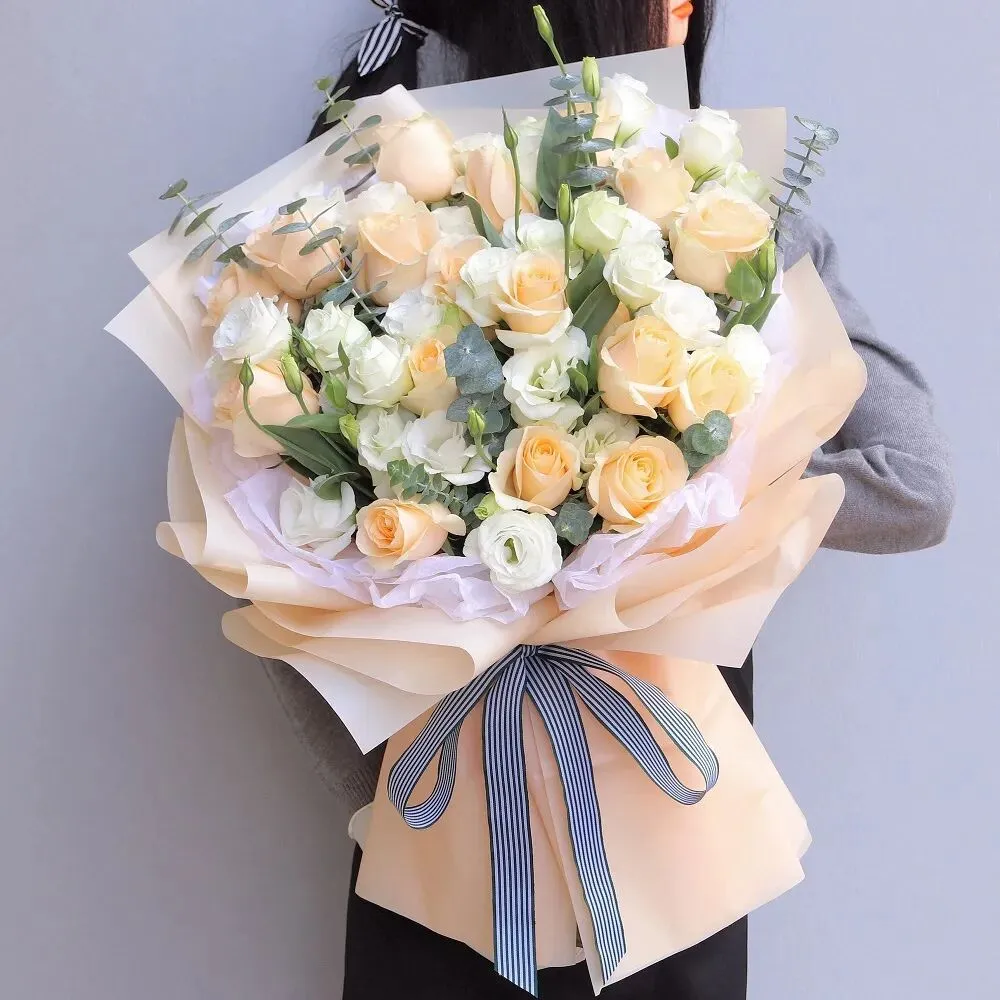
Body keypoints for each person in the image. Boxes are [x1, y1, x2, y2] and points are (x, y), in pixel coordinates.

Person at [264, 2, 956, 997]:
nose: (686, 15)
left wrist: (675, 497)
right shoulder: (365, 213)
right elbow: (268, 539)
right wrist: (378, 799)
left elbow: (915, 482)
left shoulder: (721, 212)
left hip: (647, 833)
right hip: (457, 831)